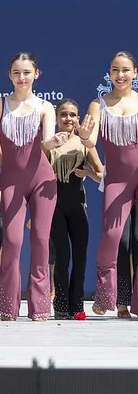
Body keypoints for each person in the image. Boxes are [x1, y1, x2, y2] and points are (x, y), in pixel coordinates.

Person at [0, 53, 63, 321]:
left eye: (27, 72)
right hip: (12, 181)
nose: (22, 77)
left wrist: (54, 142)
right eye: (16, 72)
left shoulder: (45, 107)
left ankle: (39, 307)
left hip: (42, 179)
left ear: (36, 74)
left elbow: (47, 141)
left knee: (40, 240)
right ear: (9, 76)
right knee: (13, 242)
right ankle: (8, 305)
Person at [77, 51, 138, 316]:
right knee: (113, 238)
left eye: (125, 70)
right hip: (117, 180)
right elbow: (90, 142)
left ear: (135, 72)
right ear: (109, 73)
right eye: (115, 70)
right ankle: (107, 296)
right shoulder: (98, 104)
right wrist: (84, 135)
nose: (120, 75)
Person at [48, 99, 103, 319]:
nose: (68, 119)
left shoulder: (84, 144)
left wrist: (88, 173)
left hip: (78, 206)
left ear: (77, 118)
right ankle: (61, 304)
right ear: (56, 118)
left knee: (80, 257)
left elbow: (100, 173)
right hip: (55, 207)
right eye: (63, 115)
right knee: (63, 256)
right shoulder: (48, 143)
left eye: (72, 115)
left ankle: (77, 305)